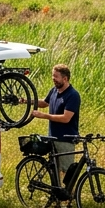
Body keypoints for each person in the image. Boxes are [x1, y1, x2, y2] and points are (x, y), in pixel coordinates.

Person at [30, 64, 81, 199]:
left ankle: (69, 197)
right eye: (53, 76)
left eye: (56, 77)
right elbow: (44, 103)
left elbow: (66, 118)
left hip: (65, 138)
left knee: (66, 171)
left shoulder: (73, 95)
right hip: (52, 137)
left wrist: (44, 116)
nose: (53, 79)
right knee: (55, 171)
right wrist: (26, 101)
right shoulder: (54, 91)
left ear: (65, 79)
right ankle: (59, 198)